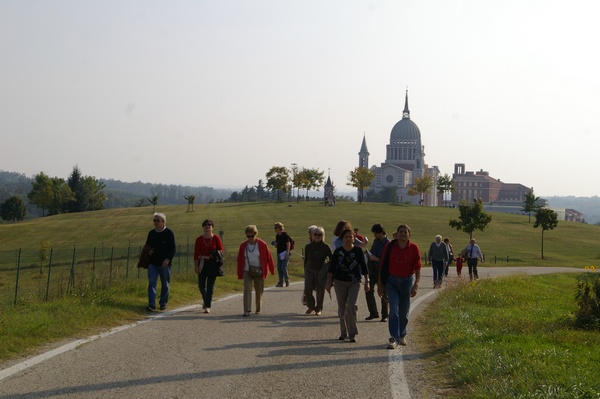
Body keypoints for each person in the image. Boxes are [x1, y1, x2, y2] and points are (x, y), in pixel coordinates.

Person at [378, 224, 421, 349]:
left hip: (407, 282)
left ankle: (402, 334)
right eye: (400, 232)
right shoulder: (389, 246)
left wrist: (416, 284)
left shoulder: (413, 248)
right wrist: (380, 284)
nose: (402, 234)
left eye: (405, 232)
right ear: (396, 234)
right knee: (394, 310)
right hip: (392, 282)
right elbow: (382, 265)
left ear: (409, 235)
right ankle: (394, 338)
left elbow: (418, 267)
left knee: (404, 312)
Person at [325, 228, 369, 343]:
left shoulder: (358, 251)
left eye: (351, 237)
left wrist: (367, 282)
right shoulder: (338, 251)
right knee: (342, 308)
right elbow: (331, 268)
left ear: (354, 238)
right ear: (342, 239)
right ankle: (343, 332)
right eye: (346, 237)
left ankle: (352, 333)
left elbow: (364, 267)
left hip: (354, 282)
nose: (349, 239)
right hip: (339, 282)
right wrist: (328, 283)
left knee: (351, 306)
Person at [236, 225, 275, 317]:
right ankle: (246, 310)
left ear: (255, 234)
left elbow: (269, 258)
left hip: (259, 271)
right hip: (247, 270)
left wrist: (272, 270)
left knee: (259, 291)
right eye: (248, 236)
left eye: (252, 236)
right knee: (247, 289)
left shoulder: (262, 244)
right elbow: (240, 259)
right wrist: (239, 272)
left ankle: (258, 308)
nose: (250, 238)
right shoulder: (243, 246)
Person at [145, 212, 176, 312]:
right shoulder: (151, 233)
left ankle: (163, 303)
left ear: (163, 222)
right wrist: (148, 251)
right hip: (153, 263)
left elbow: (173, 249)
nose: (156, 222)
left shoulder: (169, 233)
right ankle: (151, 304)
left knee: (165, 284)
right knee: (152, 282)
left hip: (164, 264)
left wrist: (167, 259)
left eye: (158, 220)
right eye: (154, 220)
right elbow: (147, 245)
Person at [194, 219, 224, 313]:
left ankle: (207, 306)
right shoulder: (199, 239)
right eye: (205, 225)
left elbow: (221, 250)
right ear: (203, 227)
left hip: (212, 264)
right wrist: (196, 266)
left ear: (212, 227)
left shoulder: (216, 238)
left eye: (209, 224)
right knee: (201, 285)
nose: (207, 226)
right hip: (202, 263)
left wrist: (214, 254)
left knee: (210, 286)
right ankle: (206, 299)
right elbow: (196, 254)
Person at [303, 226, 332, 315]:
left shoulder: (326, 247)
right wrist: (305, 270)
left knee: (320, 290)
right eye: (315, 234)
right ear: (312, 235)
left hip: (320, 271)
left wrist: (326, 267)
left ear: (322, 235)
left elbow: (332, 259)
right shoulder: (308, 246)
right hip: (309, 269)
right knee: (308, 288)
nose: (317, 236)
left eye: (319, 234)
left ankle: (318, 308)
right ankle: (311, 306)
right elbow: (306, 259)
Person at [365, 223, 390, 322]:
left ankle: (385, 315)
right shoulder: (375, 241)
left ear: (381, 232)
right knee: (368, 290)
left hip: (383, 270)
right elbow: (373, 252)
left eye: (376, 233)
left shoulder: (388, 243)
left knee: (384, 293)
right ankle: (373, 312)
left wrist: (377, 259)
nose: (374, 235)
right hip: (372, 269)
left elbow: (388, 260)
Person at [273, 222, 292, 287]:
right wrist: (275, 244)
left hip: (285, 254)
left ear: (279, 228)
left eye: (276, 228)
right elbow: (277, 246)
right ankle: (280, 282)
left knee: (283, 267)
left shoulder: (285, 235)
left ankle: (287, 280)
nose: (275, 229)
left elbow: (288, 244)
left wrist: (287, 253)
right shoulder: (277, 236)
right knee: (279, 268)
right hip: (279, 253)